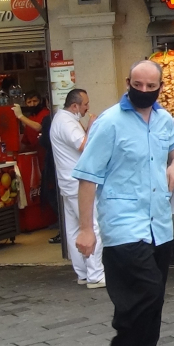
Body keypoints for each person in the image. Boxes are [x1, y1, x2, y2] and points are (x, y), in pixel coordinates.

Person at [72, 60, 174, 346]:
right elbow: (88, 177)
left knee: (156, 299)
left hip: (158, 223)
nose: (145, 91)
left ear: (161, 87)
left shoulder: (165, 119)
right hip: (123, 224)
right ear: (128, 82)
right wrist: (86, 229)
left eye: (152, 87)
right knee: (141, 294)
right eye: (139, 85)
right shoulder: (109, 123)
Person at [49, 89, 104, 288]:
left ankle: (82, 272)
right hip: (77, 183)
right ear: (75, 106)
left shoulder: (60, 120)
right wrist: (91, 126)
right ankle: (95, 274)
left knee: (74, 229)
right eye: (85, 104)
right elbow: (84, 145)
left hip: (67, 181)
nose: (88, 107)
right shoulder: (66, 122)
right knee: (91, 227)